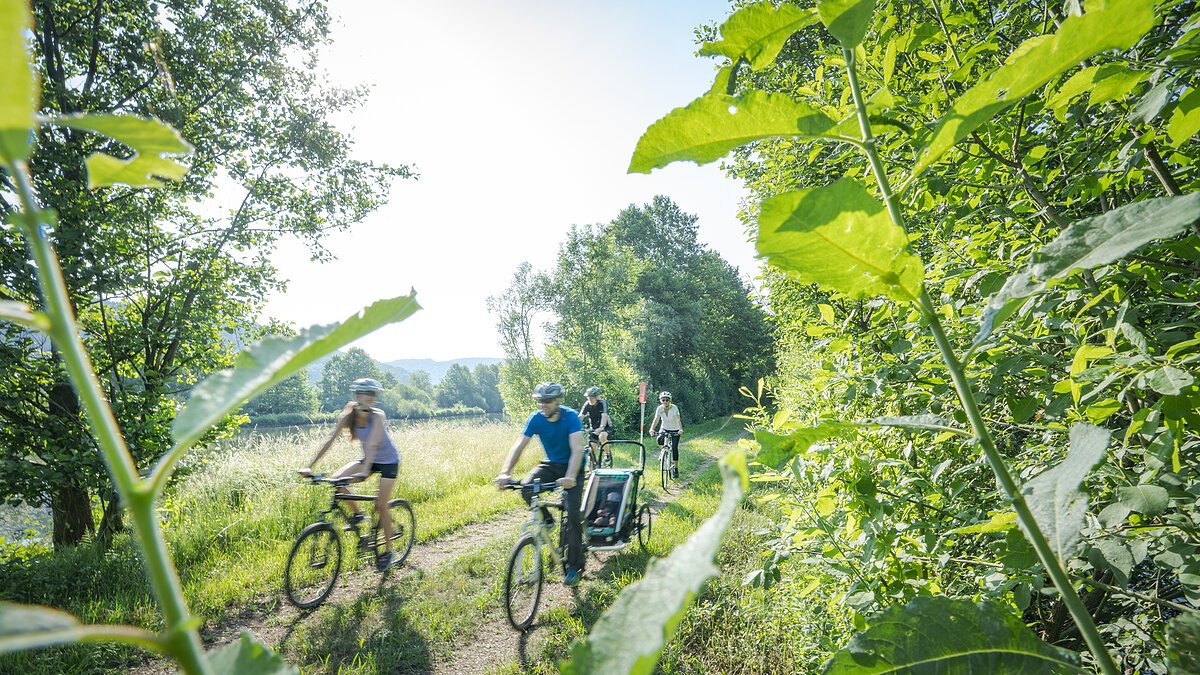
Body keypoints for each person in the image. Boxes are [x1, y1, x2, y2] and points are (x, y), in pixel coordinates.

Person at [298, 377, 403, 570]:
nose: (371, 397)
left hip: (388, 461)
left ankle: (388, 552)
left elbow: (372, 444)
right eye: (366, 393)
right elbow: (329, 441)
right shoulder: (349, 417)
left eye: (373, 393)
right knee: (338, 482)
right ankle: (358, 514)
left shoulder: (378, 416)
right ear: (357, 395)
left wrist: (365, 470)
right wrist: (309, 466)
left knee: (380, 505)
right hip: (369, 461)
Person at [494, 381, 586, 586]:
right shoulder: (535, 418)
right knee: (526, 487)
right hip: (552, 464)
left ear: (558, 401)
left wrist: (570, 476)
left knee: (572, 515)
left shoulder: (570, 417)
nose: (543, 404)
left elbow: (577, 450)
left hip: (574, 467)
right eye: (540, 401)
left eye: (547, 401)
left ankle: (574, 566)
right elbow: (519, 446)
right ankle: (548, 521)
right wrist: (505, 472)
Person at [648, 391, 684, 478]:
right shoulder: (659, 409)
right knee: (659, 439)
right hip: (664, 428)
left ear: (670, 400)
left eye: (667, 400)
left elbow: (678, 419)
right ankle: (663, 451)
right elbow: (656, 419)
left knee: (674, 448)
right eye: (663, 400)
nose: (665, 402)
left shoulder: (674, 408)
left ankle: (675, 468)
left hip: (675, 429)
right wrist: (652, 429)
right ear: (661, 400)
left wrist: (680, 429)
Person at [579, 385, 612, 460]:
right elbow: (581, 416)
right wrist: (574, 426)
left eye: (591, 398)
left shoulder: (602, 403)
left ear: (596, 397)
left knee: (602, 436)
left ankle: (607, 454)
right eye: (588, 398)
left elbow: (604, 415)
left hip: (605, 427)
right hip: (594, 428)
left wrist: (601, 427)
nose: (589, 399)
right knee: (592, 449)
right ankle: (592, 468)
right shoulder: (587, 404)